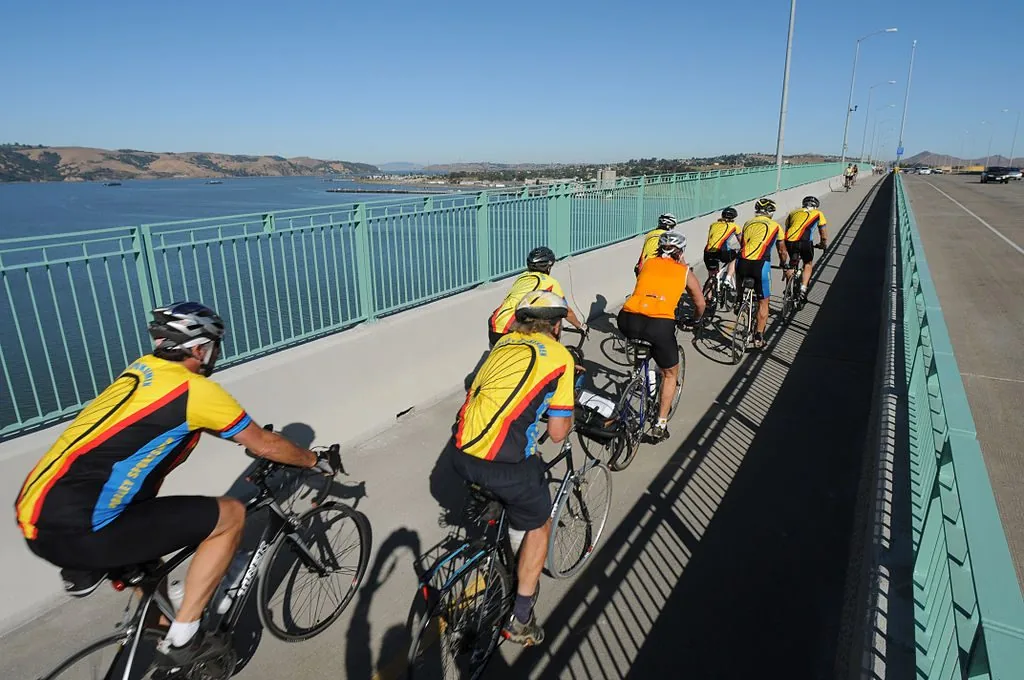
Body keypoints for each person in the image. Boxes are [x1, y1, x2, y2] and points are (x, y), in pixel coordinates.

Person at [13, 301, 339, 669]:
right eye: (214, 344)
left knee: (152, 570)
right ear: (200, 348)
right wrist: (314, 460)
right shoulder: (196, 392)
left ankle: (158, 628)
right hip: (87, 529)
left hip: (35, 514)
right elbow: (262, 444)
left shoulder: (141, 370)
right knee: (230, 515)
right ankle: (185, 640)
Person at [448, 290, 576, 646]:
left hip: (460, 453)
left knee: (510, 488)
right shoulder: (561, 358)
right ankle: (520, 618)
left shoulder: (502, 346)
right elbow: (555, 433)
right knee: (539, 522)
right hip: (503, 466)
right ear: (555, 325)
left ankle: (496, 520)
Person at [617, 231, 705, 442]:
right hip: (659, 324)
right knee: (669, 374)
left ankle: (639, 374)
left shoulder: (647, 263)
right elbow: (700, 303)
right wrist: (696, 319)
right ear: (681, 252)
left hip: (627, 318)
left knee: (642, 345)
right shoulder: (685, 272)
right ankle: (660, 423)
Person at [489, 246, 585, 347]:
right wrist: (579, 326)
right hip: (512, 327)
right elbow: (566, 311)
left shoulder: (522, 277)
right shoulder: (550, 282)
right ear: (548, 267)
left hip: (494, 323)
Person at [736, 198, 788, 349]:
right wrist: (784, 264)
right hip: (761, 264)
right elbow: (782, 251)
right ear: (771, 212)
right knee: (764, 303)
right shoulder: (776, 226)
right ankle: (758, 337)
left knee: (741, 281)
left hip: (742, 261)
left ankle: (739, 299)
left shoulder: (747, 223)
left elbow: (743, 244)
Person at [783, 196, 829, 303]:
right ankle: (803, 289)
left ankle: (788, 290)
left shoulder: (793, 213)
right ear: (816, 206)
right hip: (805, 242)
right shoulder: (818, 214)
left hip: (789, 240)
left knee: (792, 264)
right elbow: (823, 235)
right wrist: (823, 244)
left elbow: (787, 229)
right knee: (808, 263)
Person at [703, 206, 741, 295]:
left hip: (708, 252)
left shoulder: (713, 225)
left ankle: (708, 298)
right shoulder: (735, 226)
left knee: (712, 275)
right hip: (722, 252)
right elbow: (741, 241)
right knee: (734, 257)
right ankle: (728, 278)